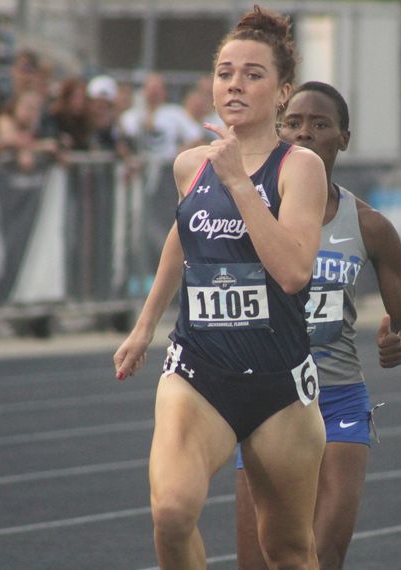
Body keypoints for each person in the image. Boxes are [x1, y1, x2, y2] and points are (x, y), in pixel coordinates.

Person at [113, 5, 328, 569]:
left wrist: (239, 182)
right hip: (198, 371)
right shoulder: (191, 165)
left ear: (283, 93)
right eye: (225, 72)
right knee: (172, 513)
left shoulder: (298, 167)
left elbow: (292, 272)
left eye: (253, 74)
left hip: (279, 383)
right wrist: (143, 327)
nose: (234, 84)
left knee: (287, 551)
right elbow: (179, 240)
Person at [235, 81, 401, 569]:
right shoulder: (248, 212)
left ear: (344, 138)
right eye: (293, 123)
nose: (305, 133)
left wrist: (400, 342)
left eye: (320, 124)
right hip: (265, 401)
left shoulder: (370, 226)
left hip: (336, 396)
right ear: (278, 132)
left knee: (322, 555)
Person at [119, 72, 205, 162]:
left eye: (157, 88)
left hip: (168, 169)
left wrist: (181, 155)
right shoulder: (130, 116)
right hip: (139, 168)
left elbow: (196, 138)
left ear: (164, 91)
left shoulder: (175, 113)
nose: (153, 92)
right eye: (151, 88)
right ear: (143, 90)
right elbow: (124, 141)